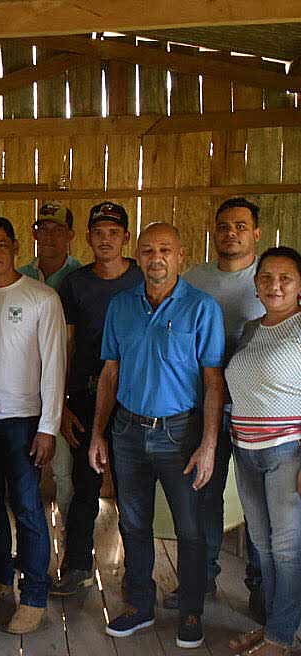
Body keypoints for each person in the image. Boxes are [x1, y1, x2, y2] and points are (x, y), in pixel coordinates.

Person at [88, 223, 225, 649]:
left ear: (181, 256)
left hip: (181, 433)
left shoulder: (202, 308)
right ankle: (140, 604)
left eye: (165, 249)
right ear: (138, 256)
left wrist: (209, 444)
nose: (156, 258)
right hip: (128, 430)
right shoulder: (121, 306)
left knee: (189, 527)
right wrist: (98, 434)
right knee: (132, 522)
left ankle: (190, 610)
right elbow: (110, 372)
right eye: (148, 250)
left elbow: (214, 380)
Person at [0, 216, 66, 634]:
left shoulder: (41, 298)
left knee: (28, 509)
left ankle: (34, 596)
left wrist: (48, 427)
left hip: (24, 421)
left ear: (13, 248)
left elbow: (54, 368)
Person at [177, 197, 265, 615]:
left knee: (257, 501)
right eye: (225, 226)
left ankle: (260, 586)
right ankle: (202, 577)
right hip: (204, 404)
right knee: (204, 494)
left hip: (256, 409)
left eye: (241, 226)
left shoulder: (270, 278)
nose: (232, 233)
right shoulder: (193, 279)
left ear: (256, 233)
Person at [51, 202, 143, 596]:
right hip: (86, 395)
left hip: (133, 397)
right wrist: (63, 404)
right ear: (88, 238)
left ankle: (138, 572)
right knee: (84, 485)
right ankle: (76, 567)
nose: (106, 239)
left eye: (114, 233)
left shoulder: (143, 280)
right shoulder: (75, 283)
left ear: (125, 238)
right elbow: (65, 346)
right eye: (98, 232)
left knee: (131, 488)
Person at [222, 246, 301, 656]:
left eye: (285, 278)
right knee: (263, 545)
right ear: (255, 284)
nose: (274, 285)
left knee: (287, 549)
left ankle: (281, 637)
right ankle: (274, 625)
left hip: (288, 452)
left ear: (300, 285)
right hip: (246, 450)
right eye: (267, 277)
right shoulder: (251, 330)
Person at [18, 202, 81, 528]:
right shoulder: (18, 278)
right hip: (24, 392)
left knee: (66, 475)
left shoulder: (82, 277)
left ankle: (71, 551)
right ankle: (30, 551)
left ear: (70, 235)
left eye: (58, 229)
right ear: (34, 233)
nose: (50, 236)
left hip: (67, 392)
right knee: (21, 480)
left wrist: (65, 398)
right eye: (44, 228)